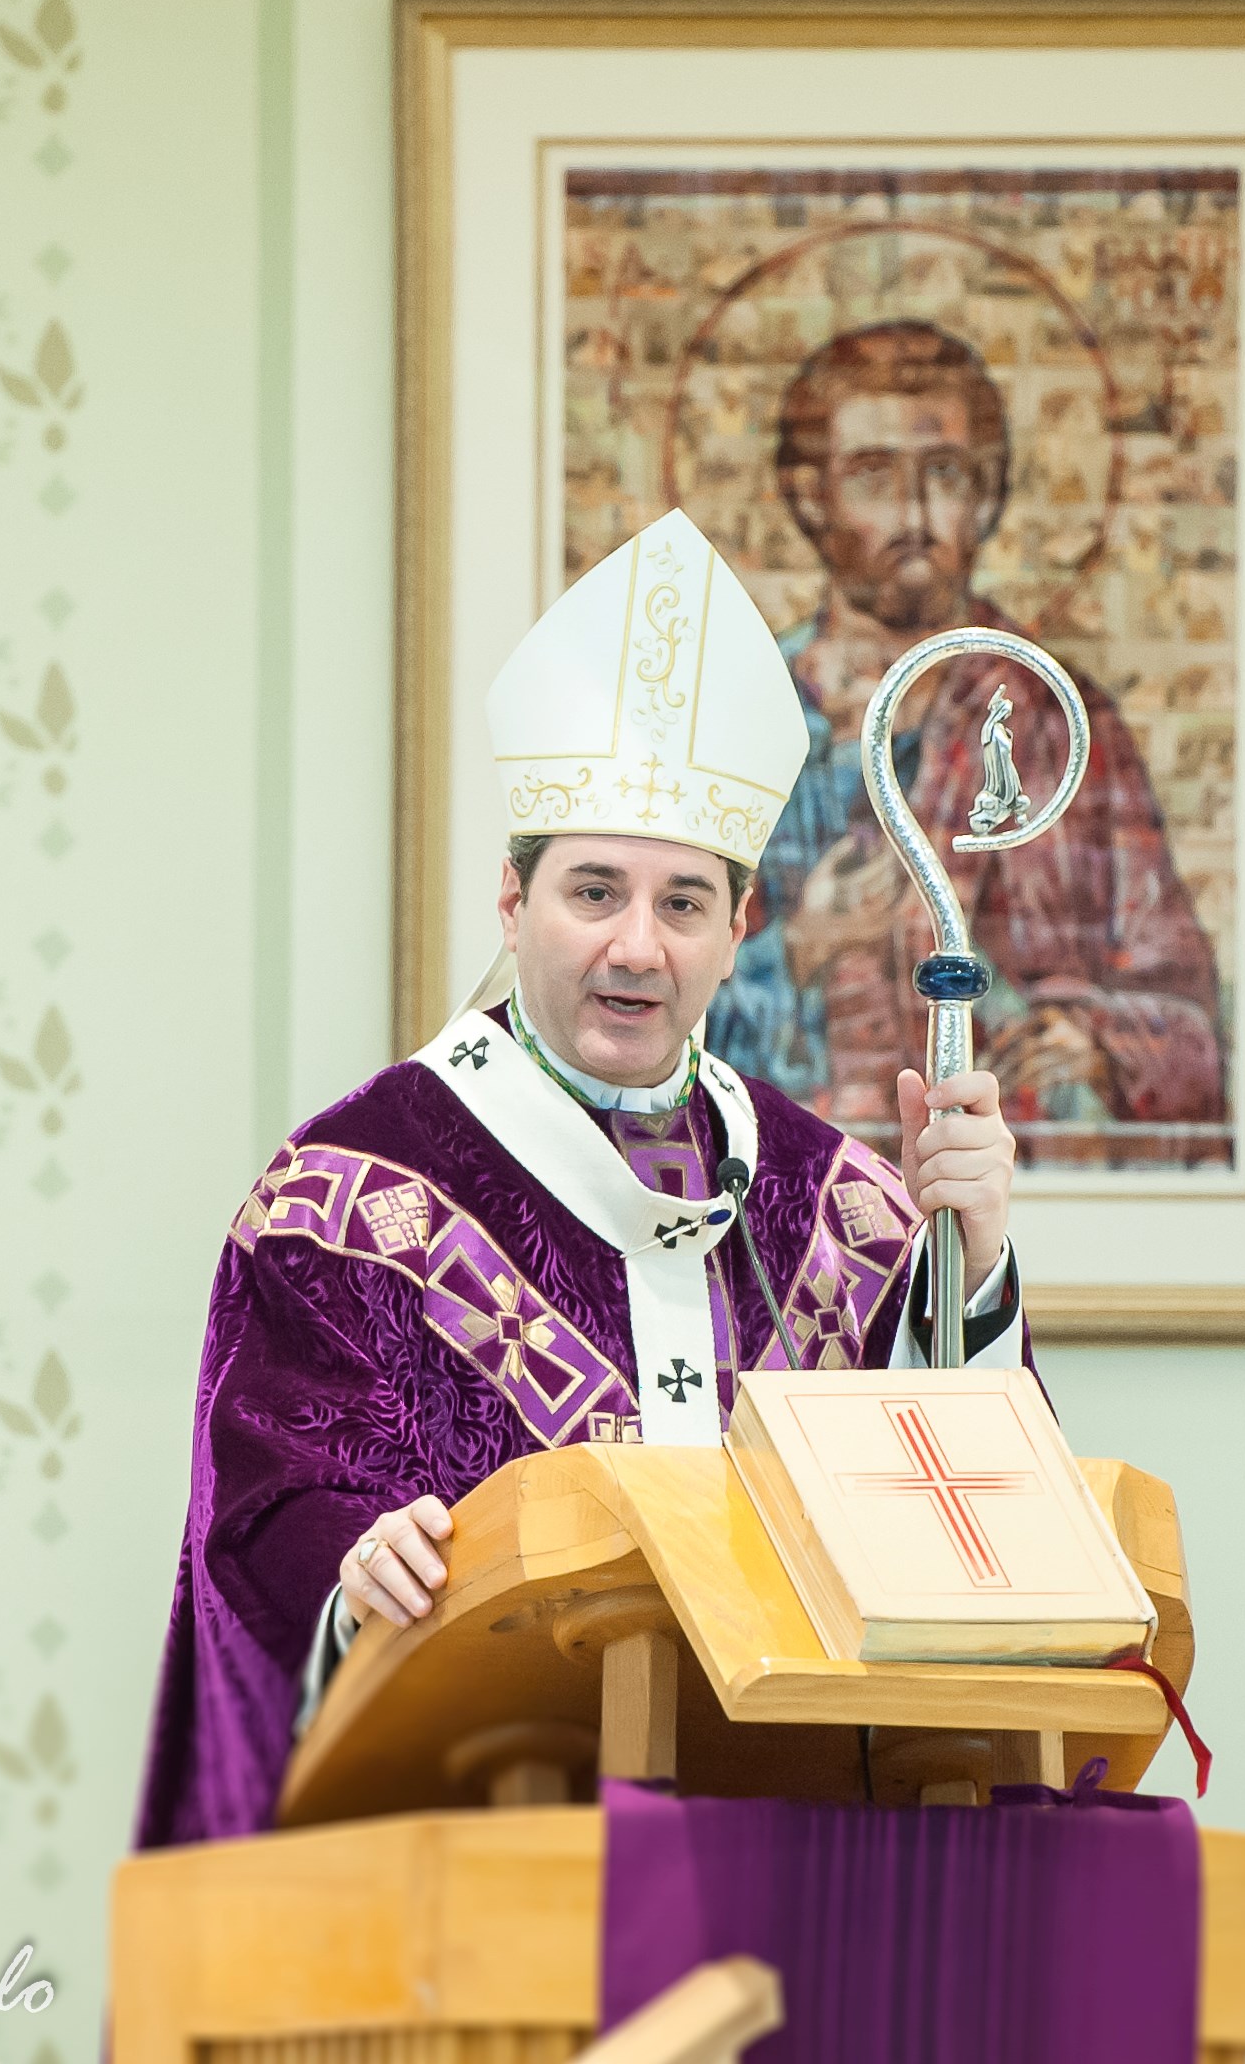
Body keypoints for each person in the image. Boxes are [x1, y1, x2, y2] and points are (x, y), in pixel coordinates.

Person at [133, 508, 1035, 1850]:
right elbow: (269, 1503)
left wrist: (972, 1257)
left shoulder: (839, 1205)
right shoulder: (348, 1193)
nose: (635, 945)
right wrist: (350, 1560)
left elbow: (957, 1528)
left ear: (739, 931)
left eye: (681, 905)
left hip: (778, 1869)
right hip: (461, 1870)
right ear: (512, 901)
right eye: (592, 891)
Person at [708, 319, 1230, 1168]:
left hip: (994, 1193)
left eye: (943, 474)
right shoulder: (743, 719)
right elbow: (652, 1013)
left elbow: (1189, 1022)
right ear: (810, 497)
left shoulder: (1052, 719)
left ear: (985, 495)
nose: (915, 516)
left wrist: (1096, 1042)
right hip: (779, 1202)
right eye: (873, 476)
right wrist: (803, 946)